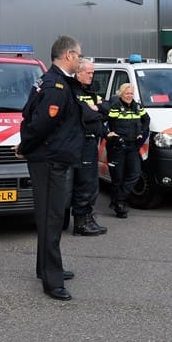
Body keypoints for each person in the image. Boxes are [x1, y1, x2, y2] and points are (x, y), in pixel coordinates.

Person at [17, 36, 85, 301]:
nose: (80, 60)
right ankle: (52, 280)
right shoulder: (56, 85)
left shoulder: (54, 81)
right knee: (51, 219)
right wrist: (25, 146)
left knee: (49, 217)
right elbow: (40, 124)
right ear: (69, 55)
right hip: (48, 160)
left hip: (51, 157)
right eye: (79, 56)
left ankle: (44, 268)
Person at [67, 59, 108, 236]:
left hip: (92, 142)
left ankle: (88, 218)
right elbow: (83, 113)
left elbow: (107, 108)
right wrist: (94, 111)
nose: (92, 76)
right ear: (78, 72)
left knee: (91, 183)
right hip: (81, 142)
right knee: (83, 183)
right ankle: (80, 224)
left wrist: (96, 108)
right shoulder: (72, 90)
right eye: (88, 73)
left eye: (93, 73)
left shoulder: (91, 92)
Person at [105, 82, 150, 219]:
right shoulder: (115, 107)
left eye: (131, 93)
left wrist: (141, 133)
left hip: (132, 147)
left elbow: (146, 120)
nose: (129, 96)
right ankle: (119, 206)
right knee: (117, 178)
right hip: (118, 147)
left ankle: (118, 199)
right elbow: (107, 123)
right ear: (121, 94)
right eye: (127, 93)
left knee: (135, 174)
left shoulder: (137, 107)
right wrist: (113, 136)